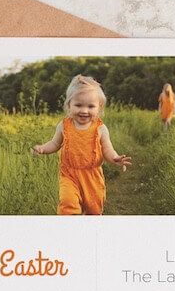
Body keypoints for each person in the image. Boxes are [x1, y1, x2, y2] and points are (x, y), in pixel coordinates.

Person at [32, 75, 132, 215]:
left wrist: (115, 157)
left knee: (94, 210)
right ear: (69, 105)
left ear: (99, 107)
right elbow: (55, 143)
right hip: (69, 174)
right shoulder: (64, 126)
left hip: (92, 177)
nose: (84, 111)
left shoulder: (100, 129)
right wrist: (43, 148)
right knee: (68, 204)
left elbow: (107, 149)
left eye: (90, 106)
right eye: (78, 105)